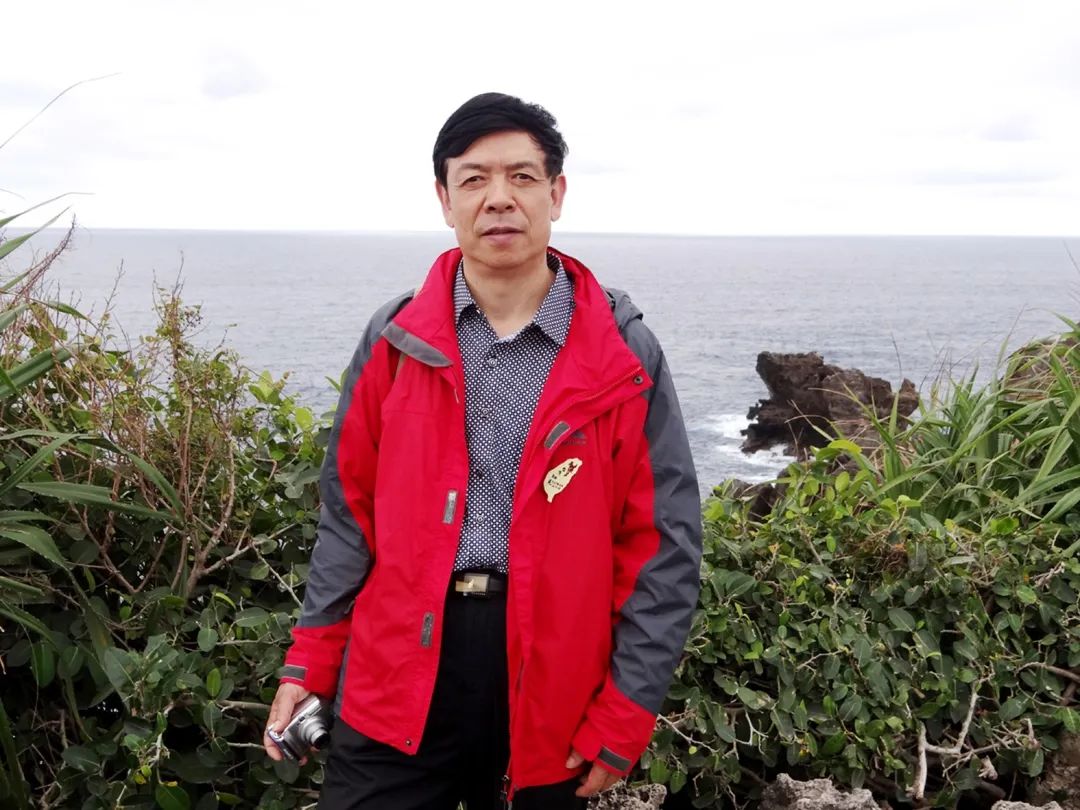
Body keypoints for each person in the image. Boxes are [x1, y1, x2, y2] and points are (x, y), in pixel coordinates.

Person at [262, 92, 702, 809]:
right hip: (396, 667)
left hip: (553, 681)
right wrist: (309, 662)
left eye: (522, 176)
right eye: (474, 179)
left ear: (556, 193)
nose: (499, 198)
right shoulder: (396, 338)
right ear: (445, 199)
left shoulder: (620, 352)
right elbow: (349, 517)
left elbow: (661, 546)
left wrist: (626, 711)